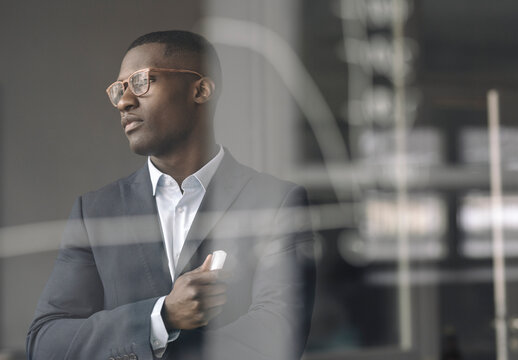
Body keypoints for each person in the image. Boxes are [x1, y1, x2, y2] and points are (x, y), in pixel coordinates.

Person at [26, 30, 315, 360]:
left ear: (200, 89)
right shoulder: (95, 212)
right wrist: (160, 318)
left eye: (140, 82)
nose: (124, 101)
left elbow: (279, 334)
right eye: (119, 90)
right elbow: (46, 342)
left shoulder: (275, 201)